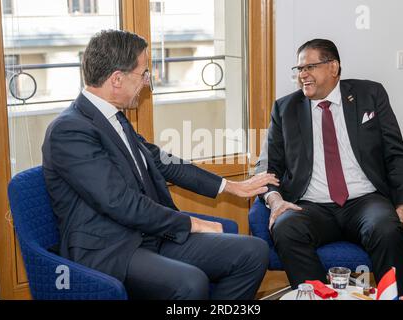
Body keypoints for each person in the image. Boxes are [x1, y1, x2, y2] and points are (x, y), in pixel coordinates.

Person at [42, 29, 279, 300]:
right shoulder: (69, 130)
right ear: (116, 79)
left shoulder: (114, 118)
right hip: (109, 248)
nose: (147, 82)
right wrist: (190, 223)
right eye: (143, 74)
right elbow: (119, 201)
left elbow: (164, 162)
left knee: (253, 252)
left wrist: (231, 187)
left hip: (148, 235)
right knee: (190, 283)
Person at [258, 39, 403, 299]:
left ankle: (396, 297)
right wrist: (274, 201)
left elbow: (396, 153)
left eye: (310, 67)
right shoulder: (285, 108)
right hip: (311, 205)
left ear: (333, 67)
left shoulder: (370, 95)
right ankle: (319, 297)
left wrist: (402, 203)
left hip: (364, 200)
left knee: (386, 228)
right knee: (286, 228)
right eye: (298, 69)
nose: (302, 75)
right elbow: (267, 165)